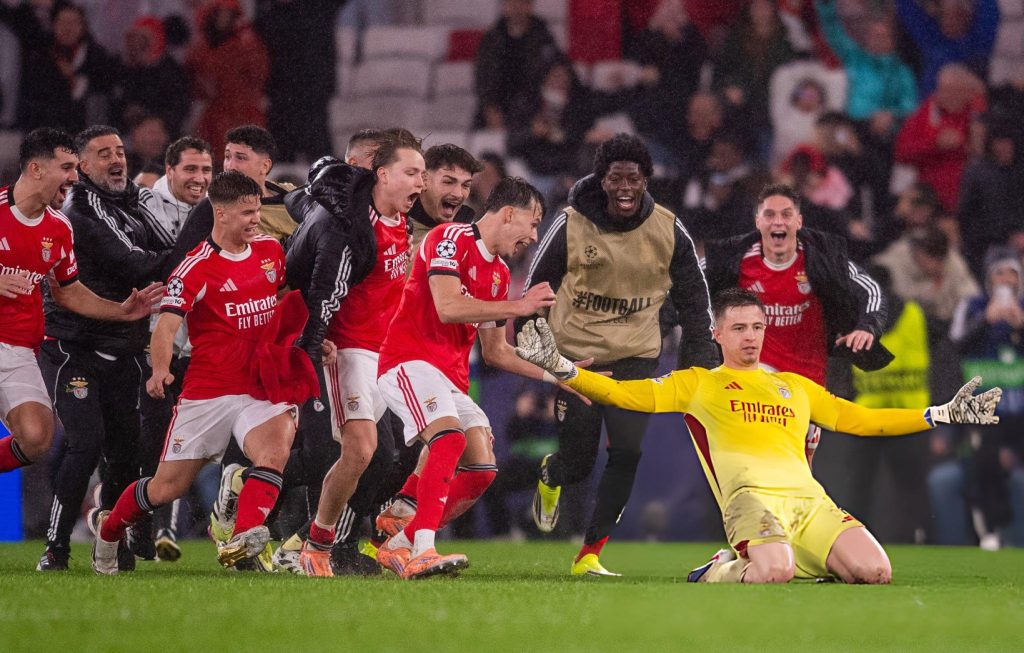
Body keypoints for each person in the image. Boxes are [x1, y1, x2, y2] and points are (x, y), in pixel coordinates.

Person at [515, 289, 1002, 584]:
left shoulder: (794, 386)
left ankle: (787, 554)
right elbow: (623, 394)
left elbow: (862, 420)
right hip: (751, 500)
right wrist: (561, 369)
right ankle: (717, 568)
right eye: (740, 328)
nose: (751, 336)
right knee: (775, 573)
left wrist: (938, 413)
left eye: (758, 327)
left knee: (877, 572)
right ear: (717, 333)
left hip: (810, 502)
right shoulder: (699, 383)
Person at [91, 170, 315, 575]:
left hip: (258, 385)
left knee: (275, 450)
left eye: (256, 211)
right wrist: (159, 370)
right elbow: (167, 325)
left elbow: (282, 299)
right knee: (166, 488)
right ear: (221, 213)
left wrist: (310, 339)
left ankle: (243, 536)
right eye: (246, 213)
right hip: (208, 390)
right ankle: (108, 532)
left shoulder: (269, 252)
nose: (255, 219)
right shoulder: (195, 267)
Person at [524, 134, 718, 576]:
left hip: (636, 358)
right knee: (578, 461)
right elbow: (535, 288)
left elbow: (695, 300)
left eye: (634, 178)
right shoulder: (570, 222)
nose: (625, 187)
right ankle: (552, 474)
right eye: (616, 178)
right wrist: (540, 352)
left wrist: (699, 364)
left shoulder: (668, 228)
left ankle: (589, 555)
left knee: (626, 453)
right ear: (602, 180)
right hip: (577, 361)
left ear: (647, 179)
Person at [373, 177, 560, 579]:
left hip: (448, 379)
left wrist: (559, 375)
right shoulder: (449, 237)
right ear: (509, 213)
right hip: (408, 361)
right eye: (534, 222)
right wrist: (519, 305)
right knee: (449, 439)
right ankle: (422, 550)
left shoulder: (497, 272)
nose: (534, 234)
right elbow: (446, 306)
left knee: (482, 469)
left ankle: (399, 541)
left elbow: (496, 352)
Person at [280, 131, 425, 577]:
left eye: (423, 173)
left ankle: (396, 534)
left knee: (441, 433)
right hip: (351, 352)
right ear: (381, 174)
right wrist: (312, 341)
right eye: (412, 172)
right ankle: (316, 544)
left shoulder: (400, 221)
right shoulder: (351, 228)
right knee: (360, 451)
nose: (422, 182)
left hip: (390, 354)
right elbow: (327, 291)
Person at [37, 125, 171, 571]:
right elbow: (137, 262)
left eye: (119, 150)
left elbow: (164, 249)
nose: (116, 159)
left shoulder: (131, 199)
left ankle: (111, 540)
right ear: (83, 167)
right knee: (86, 443)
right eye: (102, 154)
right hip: (75, 348)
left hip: (126, 349)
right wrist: (206, 236)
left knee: (126, 451)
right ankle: (56, 547)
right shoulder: (82, 209)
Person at [1, 128, 161, 496]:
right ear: (37, 170)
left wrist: (120, 311)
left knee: (36, 438)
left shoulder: (59, 227)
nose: (75, 177)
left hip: (19, 349)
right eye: (67, 167)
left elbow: (69, 291)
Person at [136, 136, 213, 562]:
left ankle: (159, 525)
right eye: (190, 170)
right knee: (145, 439)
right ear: (170, 170)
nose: (199, 179)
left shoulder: (215, 210)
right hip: (146, 343)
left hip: (191, 346)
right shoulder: (145, 207)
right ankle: (119, 512)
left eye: (206, 170)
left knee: (177, 437)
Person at [168, 125, 296, 271]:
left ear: (265, 166)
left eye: (240, 158)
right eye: (227, 157)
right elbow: (177, 268)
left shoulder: (293, 197)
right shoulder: (212, 206)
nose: (230, 166)